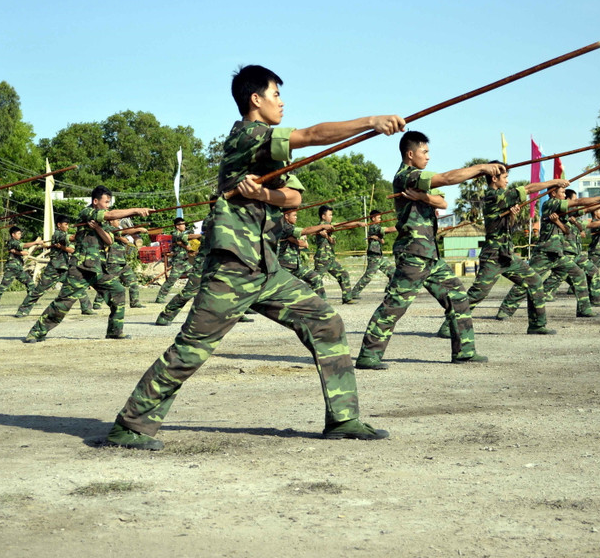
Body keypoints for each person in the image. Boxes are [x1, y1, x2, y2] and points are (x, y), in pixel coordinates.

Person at [103, 64, 404, 450]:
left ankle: (343, 419)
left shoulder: (269, 158)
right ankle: (129, 425)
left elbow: (294, 197)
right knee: (193, 348)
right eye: (276, 95)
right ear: (255, 99)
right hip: (233, 267)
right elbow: (312, 135)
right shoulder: (246, 136)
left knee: (327, 323)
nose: (282, 102)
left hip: (265, 266)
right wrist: (370, 121)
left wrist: (263, 195)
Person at [356, 131, 501, 370]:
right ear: (410, 154)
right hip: (413, 252)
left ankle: (464, 351)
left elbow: (442, 201)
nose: (428, 157)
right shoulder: (408, 176)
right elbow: (446, 178)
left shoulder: (418, 182)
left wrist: (425, 197)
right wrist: (480, 168)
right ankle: (368, 355)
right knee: (395, 304)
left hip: (429, 254)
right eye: (425, 152)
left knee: (458, 297)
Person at [23, 186, 151, 343]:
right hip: (81, 268)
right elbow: (109, 214)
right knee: (64, 302)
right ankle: (36, 332)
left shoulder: (101, 222)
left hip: (98, 268)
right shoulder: (86, 213)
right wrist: (136, 210)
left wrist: (98, 228)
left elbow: (109, 240)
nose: (108, 205)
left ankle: (114, 331)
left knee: (117, 292)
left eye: (109, 202)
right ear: (95, 201)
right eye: (106, 202)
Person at [457, 163, 564, 336]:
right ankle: (449, 326)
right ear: (494, 178)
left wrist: (512, 214)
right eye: (505, 177)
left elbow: (506, 226)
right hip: (493, 255)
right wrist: (554, 182)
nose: (507, 181)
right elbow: (529, 189)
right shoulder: (494, 195)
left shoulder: (502, 198)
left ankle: (537, 325)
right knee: (477, 294)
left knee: (534, 281)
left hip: (507, 255)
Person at [498, 186, 600, 320]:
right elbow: (578, 203)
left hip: (558, 254)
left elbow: (581, 212)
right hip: (544, 253)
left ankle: (584, 309)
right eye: (562, 193)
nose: (564, 196)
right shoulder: (550, 204)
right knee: (528, 280)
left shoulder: (563, 213)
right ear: (553, 193)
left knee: (579, 274)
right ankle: (505, 310)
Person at [14, 215, 95, 317]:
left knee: (77, 286)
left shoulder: (64, 236)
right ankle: (22, 310)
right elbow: (73, 238)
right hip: (53, 269)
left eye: (68, 225)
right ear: (59, 225)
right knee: (39, 290)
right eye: (65, 224)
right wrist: (85, 230)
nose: (67, 227)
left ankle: (86, 308)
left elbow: (72, 250)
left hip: (64, 268)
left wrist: (62, 247)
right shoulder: (58, 234)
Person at [94, 218, 148, 310]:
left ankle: (134, 302)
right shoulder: (108, 229)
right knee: (108, 283)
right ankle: (97, 303)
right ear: (111, 221)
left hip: (122, 262)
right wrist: (138, 229)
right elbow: (123, 234)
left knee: (133, 281)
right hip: (113, 262)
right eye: (117, 220)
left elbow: (124, 235)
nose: (118, 222)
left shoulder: (117, 230)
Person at [313, 205, 362, 304]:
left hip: (330, 259)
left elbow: (343, 225)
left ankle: (347, 298)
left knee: (343, 274)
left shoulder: (330, 227)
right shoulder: (320, 226)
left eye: (332, 215)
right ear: (323, 216)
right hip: (322, 259)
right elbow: (316, 230)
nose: (331, 217)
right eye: (330, 215)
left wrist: (357, 223)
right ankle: (305, 299)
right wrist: (323, 233)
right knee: (315, 279)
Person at [0, 226, 43, 306]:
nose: (20, 235)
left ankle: (31, 301)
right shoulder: (13, 242)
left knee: (29, 282)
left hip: (17, 267)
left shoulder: (15, 242)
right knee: (5, 285)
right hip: (12, 267)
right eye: (18, 233)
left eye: (20, 233)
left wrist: (18, 252)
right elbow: (24, 246)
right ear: (13, 234)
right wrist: (36, 243)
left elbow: (24, 251)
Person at [278, 207, 327, 298]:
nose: (296, 217)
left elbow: (302, 243)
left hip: (296, 265)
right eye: (294, 215)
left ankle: (321, 305)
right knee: (279, 291)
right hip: (284, 267)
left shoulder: (290, 228)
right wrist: (322, 226)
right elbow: (304, 231)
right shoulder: (283, 227)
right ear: (286, 216)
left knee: (315, 278)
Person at [349, 210, 397, 301]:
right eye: (378, 217)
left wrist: (378, 239)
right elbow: (388, 230)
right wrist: (401, 226)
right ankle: (354, 293)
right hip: (373, 256)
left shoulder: (376, 227)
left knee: (393, 272)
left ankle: (389, 289)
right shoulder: (373, 227)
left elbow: (383, 241)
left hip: (379, 255)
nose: (380, 219)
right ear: (373, 218)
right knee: (368, 276)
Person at [154, 218, 201, 303]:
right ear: (177, 226)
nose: (184, 226)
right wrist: (202, 234)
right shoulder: (175, 234)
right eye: (182, 224)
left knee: (195, 277)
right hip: (178, 263)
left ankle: (196, 297)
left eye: (184, 224)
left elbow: (187, 242)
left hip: (185, 262)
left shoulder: (182, 234)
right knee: (171, 281)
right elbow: (188, 237)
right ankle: (160, 298)